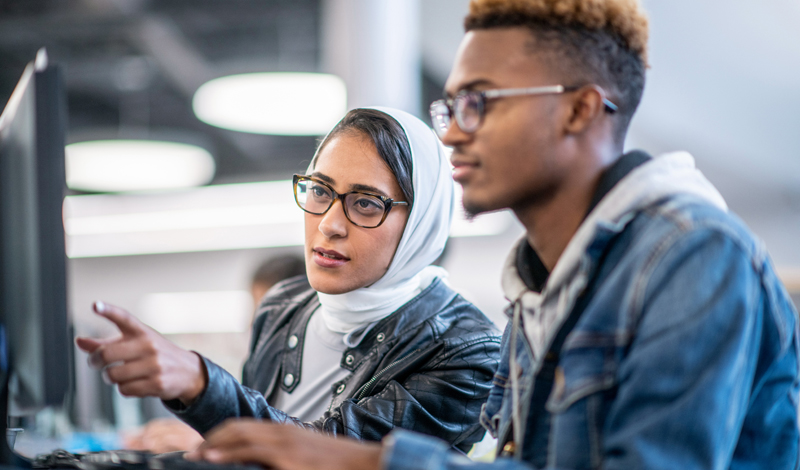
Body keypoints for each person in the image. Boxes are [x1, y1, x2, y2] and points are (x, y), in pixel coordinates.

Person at [182, 0, 800, 469]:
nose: (452, 133)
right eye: (451, 107)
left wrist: (370, 460)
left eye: (482, 102)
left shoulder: (691, 256)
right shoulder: (541, 284)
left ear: (581, 109)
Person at [76, 107, 501, 452]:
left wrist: (202, 384)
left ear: (420, 223)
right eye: (319, 191)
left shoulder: (468, 352)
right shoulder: (283, 305)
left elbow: (336, 452)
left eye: (366, 203)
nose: (330, 224)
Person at [123, 254, 307, 454]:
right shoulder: (261, 369)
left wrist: (211, 442)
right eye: (257, 313)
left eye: (269, 316)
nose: (253, 324)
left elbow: (297, 447)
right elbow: (256, 425)